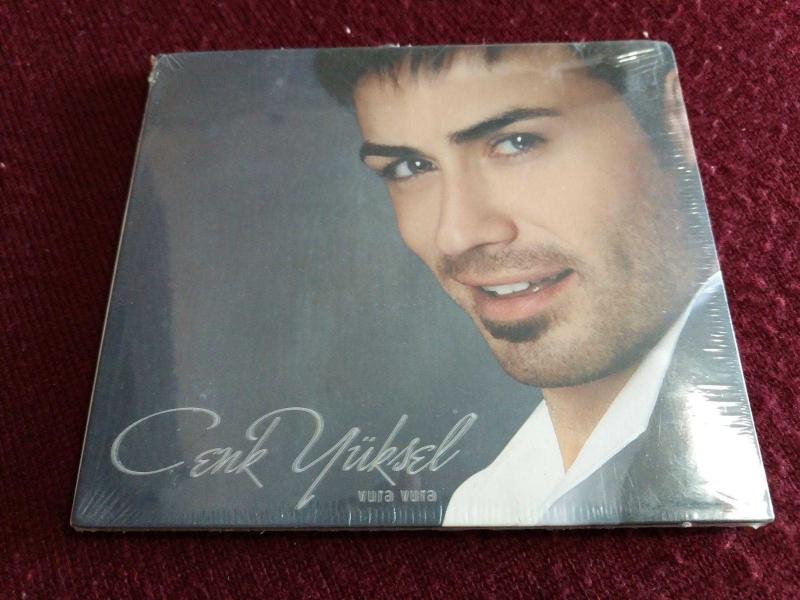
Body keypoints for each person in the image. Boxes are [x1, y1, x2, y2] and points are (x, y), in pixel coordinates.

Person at [314, 43, 771, 526]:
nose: (456, 234)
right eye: (411, 168)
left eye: (517, 142)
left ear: (674, 118)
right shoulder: (482, 504)